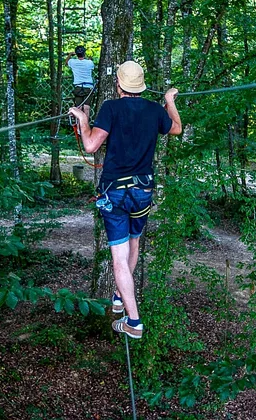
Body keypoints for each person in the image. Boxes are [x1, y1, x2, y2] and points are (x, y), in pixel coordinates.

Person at [68, 61, 182, 339]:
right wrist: (168, 101)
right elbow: (176, 128)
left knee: (119, 258)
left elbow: (91, 145)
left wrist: (83, 120)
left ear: (118, 85)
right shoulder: (155, 110)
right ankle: (120, 295)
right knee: (134, 243)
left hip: (115, 193)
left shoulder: (111, 108)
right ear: (140, 86)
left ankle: (134, 321)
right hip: (142, 191)